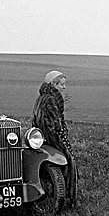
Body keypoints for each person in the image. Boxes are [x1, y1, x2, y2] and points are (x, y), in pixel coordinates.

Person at [32, 70, 78, 207]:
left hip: (42, 137)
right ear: (54, 84)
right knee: (69, 162)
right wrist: (62, 134)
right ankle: (69, 197)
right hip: (52, 137)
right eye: (62, 85)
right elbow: (54, 123)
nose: (64, 87)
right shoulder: (51, 99)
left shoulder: (41, 97)